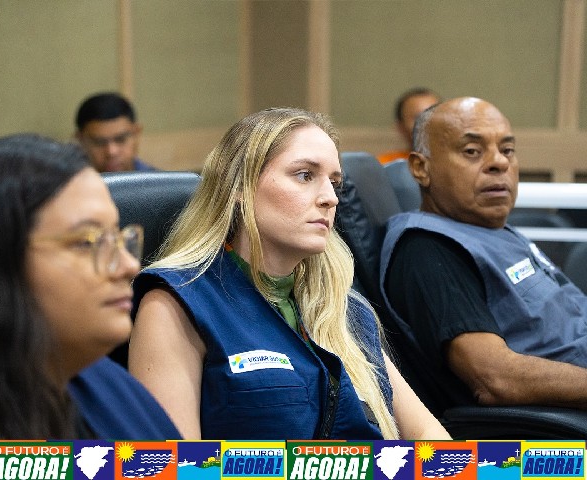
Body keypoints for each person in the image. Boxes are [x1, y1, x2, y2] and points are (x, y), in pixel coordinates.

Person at [128, 107, 450, 440]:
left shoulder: (343, 307)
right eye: (305, 175)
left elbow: (430, 437)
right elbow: (174, 463)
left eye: (334, 183)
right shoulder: (177, 302)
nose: (330, 198)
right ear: (239, 187)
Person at [380, 97, 587, 415]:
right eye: (472, 151)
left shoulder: (486, 227)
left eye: (507, 150)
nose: (499, 163)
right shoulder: (429, 249)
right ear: (421, 168)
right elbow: (495, 378)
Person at [0, 133, 180, 439]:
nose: (130, 266)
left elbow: (182, 463)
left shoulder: (101, 378)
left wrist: (268, 461)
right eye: (87, 242)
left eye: (118, 237)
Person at [75, 92, 156, 172]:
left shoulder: (159, 180)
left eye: (121, 139)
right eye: (99, 142)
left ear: (136, 133)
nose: (112, 152)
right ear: (80, 140)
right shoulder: (70, 181)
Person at [377, 88, 440, 165]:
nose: (428, 123)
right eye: (418, 117)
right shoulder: (387, 164)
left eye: (434, 115)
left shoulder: (453, 162)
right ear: (400, 127)